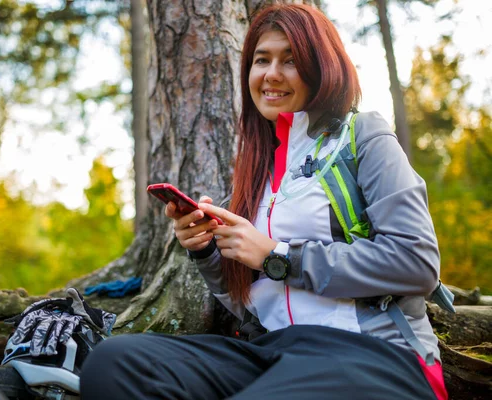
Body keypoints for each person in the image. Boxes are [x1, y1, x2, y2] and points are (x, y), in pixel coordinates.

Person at [80, 4, 447, 399]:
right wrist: (206, 251)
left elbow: (417, 262)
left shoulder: (364, 137)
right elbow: (252, 304)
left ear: (321, 67)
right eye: (262, 60)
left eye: (290, 60)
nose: (272, 74)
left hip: (374, 354)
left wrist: (280, 256)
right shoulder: (257, 170)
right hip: (272, 351)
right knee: (115, 362)